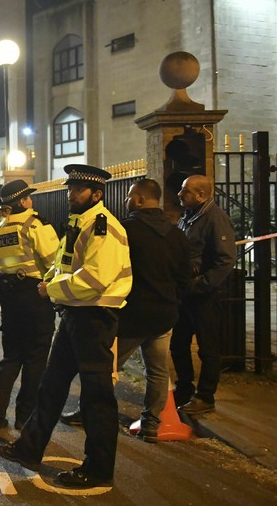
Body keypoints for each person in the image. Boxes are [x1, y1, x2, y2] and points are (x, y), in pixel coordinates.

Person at [0, 164, 132, 490]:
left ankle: (98, 469)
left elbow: (94, 280)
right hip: (74, 316)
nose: (71, 194)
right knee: (50, 387)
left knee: (97, 398)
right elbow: (61, 263)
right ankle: (28, 448)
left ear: (96, 194)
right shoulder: (78, 223)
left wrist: (49, 289)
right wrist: (51, 281)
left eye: (78, 190)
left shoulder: (102, 228)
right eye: (70, 188)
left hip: (95, 319)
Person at [60, 179, 191, 441]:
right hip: (164, 315)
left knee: (104, 370)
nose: (126, 200)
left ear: (140, 200)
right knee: (157, 371)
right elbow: (184, 276)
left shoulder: (124, 230)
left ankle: (89, 414)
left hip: (132, 317)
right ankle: (152, 425)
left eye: (129, 196)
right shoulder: (177, 233)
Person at [0, 180, 60, 431]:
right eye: (28, 197)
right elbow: (54, 263)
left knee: (11, 357)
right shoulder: (36, 225)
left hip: (9, 298)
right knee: (36, 358)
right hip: (35, 296)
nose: (31, 200)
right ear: (23, 201)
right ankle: (24, 417)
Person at [171, 174, 236, 416]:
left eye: (185, 191)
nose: (179, 194)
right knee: (179, 344)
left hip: (206, 296)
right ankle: (184, 388)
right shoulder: (189, 216)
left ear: (201, 195)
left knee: (207, 348)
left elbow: (225, 259)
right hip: (187, 294)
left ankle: (206, 396)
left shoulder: (215, 219)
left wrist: (201, 284)